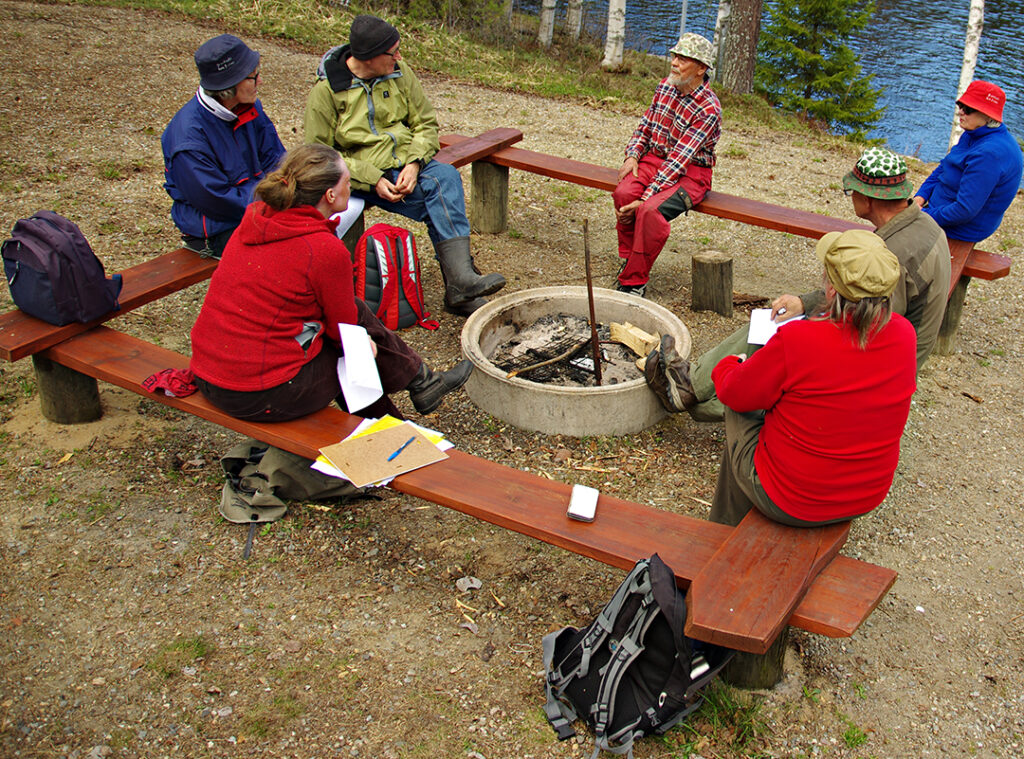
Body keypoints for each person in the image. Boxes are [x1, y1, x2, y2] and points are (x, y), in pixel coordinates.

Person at [646, 147, 950, 422]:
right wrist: (803, 303)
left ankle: (708, 393)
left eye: (852, 192)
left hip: (881, 365)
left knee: (784, 341)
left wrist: (807, 331)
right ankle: (696, 384)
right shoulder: (922, 226)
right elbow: (859, 295)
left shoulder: (894, 254)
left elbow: (865, 323)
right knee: (775, 318)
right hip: (893, 348)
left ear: (868, 198)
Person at [189, 144, 472, 423]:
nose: (352, 187)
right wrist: (363, 344)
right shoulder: (323, 249)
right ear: (331, 194)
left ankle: (416, 393)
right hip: (259, 395)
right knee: (348, 353)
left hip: (208, 372)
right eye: (349, 181)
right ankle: (401, 423)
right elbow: (344, 332)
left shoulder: (257, 218)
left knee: (351, 322)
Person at [707, 229, 917, 527]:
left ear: (831, 289)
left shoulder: (799, 339)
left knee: (743, 411)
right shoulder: (905, 334)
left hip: (792, 500)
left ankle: (723, 528)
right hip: (865, 496)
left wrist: (729, 364)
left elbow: (734, 392)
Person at [304, 15, 505, 317]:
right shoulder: (326, 92)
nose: (399, 57)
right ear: (369, 57)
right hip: (361, 177)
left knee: (445, 177)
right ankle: (459, 288)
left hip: (406, 165)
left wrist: (414, 162)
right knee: (439, 202)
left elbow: (425, 123)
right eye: (393, 52)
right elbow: (319, 155)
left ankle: (461, 283)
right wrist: (371, 179)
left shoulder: (400, 72)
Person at [161, 34, 364, 258]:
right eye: (253, 76)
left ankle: (341, 284)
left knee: (332, 214)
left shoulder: (247, 106)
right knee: (306, 243)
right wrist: (283, 201)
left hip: (264, 205)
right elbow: (221, 203)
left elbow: (277, 160)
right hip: (219, 229)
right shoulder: (188, 142)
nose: (260, 81)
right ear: (228, 89)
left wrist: (297, 194)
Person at [612, 33, 721, 298]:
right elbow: (645, 126)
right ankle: (630, 259)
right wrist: (633, 155)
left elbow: (679, 160)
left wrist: (646, 197)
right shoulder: (665, 86)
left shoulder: (708, 109)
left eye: (683, 59)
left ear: (701, 68)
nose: (674, 62)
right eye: (674, 56)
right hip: (655, 159)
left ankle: (634, 282)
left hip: (691, 173)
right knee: (624, 194)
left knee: (649, 211)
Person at [914, 80, 1022, 243]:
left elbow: (963, 211)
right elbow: (944, 167)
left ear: (988, 115)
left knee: (892, 238)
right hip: (939, 210)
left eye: (969, 109)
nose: (961, 112)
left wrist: (920, 216)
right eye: (960, 105)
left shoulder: (989, 154)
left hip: (960, 229)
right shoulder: (975, 132)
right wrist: (920, 197)